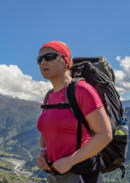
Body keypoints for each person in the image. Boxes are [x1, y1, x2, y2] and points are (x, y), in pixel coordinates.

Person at [36, 41, 113, 183]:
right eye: (39, 59)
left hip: (82, 175)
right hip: (55, 175)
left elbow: (105, 135)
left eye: (49, 57)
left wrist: (70, 161)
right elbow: (47, 129)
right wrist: (43, 151)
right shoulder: (49, 96)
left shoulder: (81, 90)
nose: (43, 62)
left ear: (66, 61)